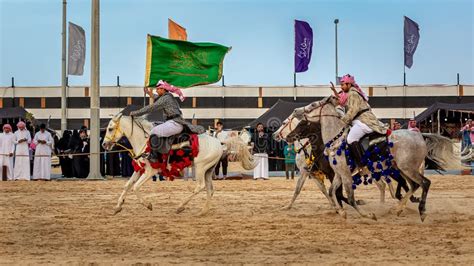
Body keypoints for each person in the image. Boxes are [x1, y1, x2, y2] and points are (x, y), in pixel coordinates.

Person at [129, 80, 205, 161]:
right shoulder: (167, 97)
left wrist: (135, 113)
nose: (156, 91)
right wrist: (149, 93)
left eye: (157, 89)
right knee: (155, 125)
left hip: (175, 123)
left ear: (162, 89)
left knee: (153, 131)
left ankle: (154, 156)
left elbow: (151, 107)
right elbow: (156, 97)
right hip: (173, 122)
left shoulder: (166, 98)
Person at [332, 74, 387, 174]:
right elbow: (343, 103)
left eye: (343, 85)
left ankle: (362, 165)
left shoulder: (353, 93)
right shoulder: (351, 93)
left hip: (364, 120)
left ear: (349, 84)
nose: (341, 87)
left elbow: (353, 110)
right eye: (341, 85)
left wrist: (342, 121)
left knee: (350, 139)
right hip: (359, 120)